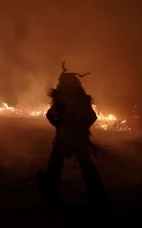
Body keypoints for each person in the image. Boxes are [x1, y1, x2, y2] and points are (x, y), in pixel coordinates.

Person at [37, 62, 107, 208]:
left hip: (64, 139)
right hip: (78, 139)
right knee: (86, 166)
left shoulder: (61, 100)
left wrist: (59, 126)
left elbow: (49, 115)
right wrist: (82, 129)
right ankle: (97, 194)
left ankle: (50, 190)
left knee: (55, 165)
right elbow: (93, 117)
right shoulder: (83, 100)